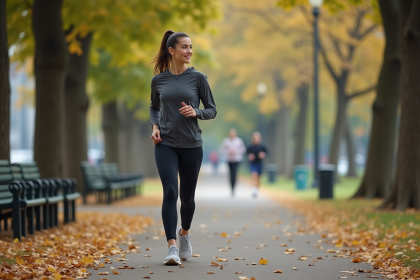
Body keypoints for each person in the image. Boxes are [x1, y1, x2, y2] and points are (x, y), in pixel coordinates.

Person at [149, 30, 217, 265]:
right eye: (184, 47)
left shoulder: (198, 78)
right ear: (172, 51)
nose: (189, 51)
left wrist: (195, 111)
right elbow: (154, 107)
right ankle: (171, 248)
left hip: (191, 145)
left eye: (191, 47)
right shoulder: (158, 80)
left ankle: (184, 234)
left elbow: (211, 109)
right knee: (170, 192)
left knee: (187, 198)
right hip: (165, 143)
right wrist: (155, 126)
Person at [221, 129, 245, 197]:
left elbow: (243, 149)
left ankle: (234, 187)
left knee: (234, 173)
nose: (232, 135)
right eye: (231, 134)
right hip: (229, 159)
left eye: (233, 134)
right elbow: (222, 150)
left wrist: (236, 151)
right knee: (231, 173)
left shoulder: (239, 141)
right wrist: (229, 152)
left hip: (237, 159)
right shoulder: (226, 141)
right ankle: (231, 188)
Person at [246, 132, 267, 198]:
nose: (256, 140)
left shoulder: (262, 146)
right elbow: (247, 153)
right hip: (253, 163)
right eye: (255, 138)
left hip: (260, 163)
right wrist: (249, 156)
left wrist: (263, 155)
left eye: (257, 138)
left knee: (259, 178)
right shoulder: (250, 146)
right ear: (253, 139)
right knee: (254, 175)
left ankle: (257, 189)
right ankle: (253, 190)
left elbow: (267, 153)